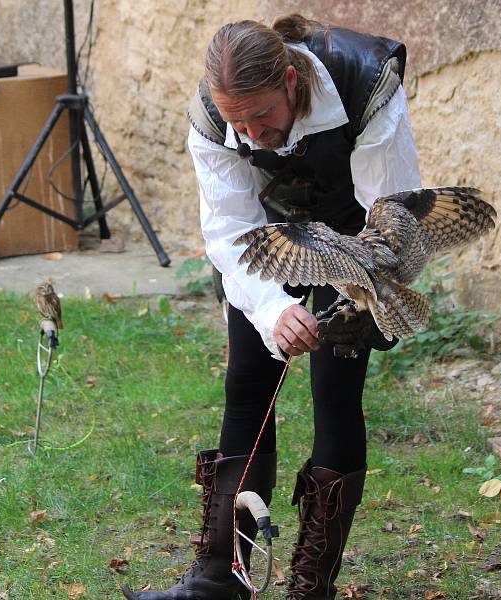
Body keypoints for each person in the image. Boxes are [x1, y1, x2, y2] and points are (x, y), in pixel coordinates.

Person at [123, 13, 421, 600]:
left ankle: (310, 586)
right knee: (246, 386)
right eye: (239, 122)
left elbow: (390, 216)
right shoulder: (213, 119)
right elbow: (232, 232)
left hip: (357, 238)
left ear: (290, 80)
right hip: (267, 238)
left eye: (262, 115)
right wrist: (270, 310)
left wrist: (348, 292)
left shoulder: (367, 87)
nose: (252, 133)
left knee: (334, 394)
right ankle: (220, 576)